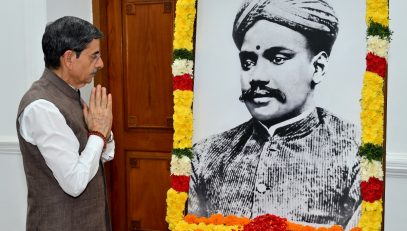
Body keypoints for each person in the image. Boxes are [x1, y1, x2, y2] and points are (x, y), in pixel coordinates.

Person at [188, 0, 361, 229]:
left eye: (278, 59)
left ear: (317, 67)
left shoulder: (355, 153)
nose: (257, 76)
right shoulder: (206, 156)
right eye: (248, 62)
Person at [16, 16, 114, 231]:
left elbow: (102, 155)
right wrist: (98, 133)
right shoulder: (41, 106)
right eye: (94, 56)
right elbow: (74, 183)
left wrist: (101, 133)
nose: (101, 64)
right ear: (69, 58)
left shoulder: (71, 95)